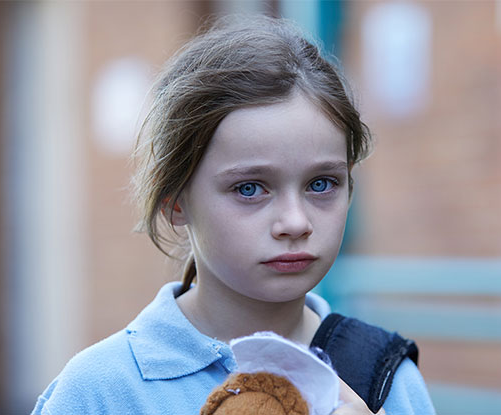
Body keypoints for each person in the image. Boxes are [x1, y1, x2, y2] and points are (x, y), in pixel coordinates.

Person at [32, 15, 435, 415]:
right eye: (249, 188)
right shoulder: (100, 391)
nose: (295, 222)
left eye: (321, 184)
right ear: (175, 201)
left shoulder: (385, 378)